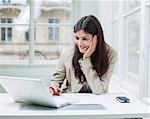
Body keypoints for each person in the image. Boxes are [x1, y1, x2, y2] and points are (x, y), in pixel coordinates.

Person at [49, 15, 118, 96]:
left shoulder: (110, 55)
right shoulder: (67, 54)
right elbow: (57, 79)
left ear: (97, 38)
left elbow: (99, 90)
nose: (80, 44)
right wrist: (53, 86)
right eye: (77, 38)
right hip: (72, 98)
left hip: (98, 101)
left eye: (85, 39)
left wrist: (86, 59)